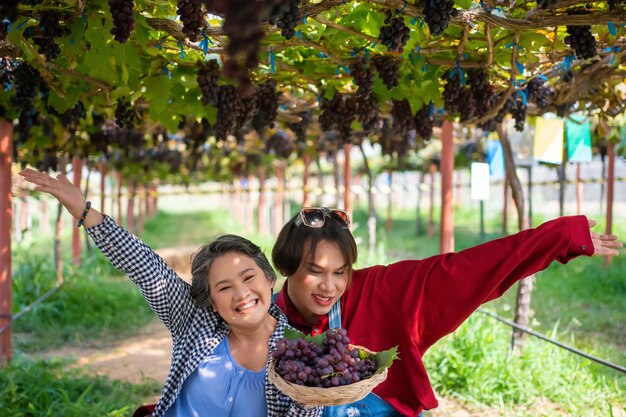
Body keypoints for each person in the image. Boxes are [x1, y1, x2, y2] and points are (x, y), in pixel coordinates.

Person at [19, 168, 320, 417]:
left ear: (269, 279)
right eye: (224, 287)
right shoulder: (194, 321)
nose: (241, 294)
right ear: (212, 302)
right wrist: (84, 211)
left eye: (248, 277)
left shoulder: (297, 352)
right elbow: (146, 268)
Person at [271, 207, 622, 417]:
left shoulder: (377, 290)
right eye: (315, 271)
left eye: (340, 271)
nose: (330, 287)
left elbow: (461, 270)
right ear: (286, 267)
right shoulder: (262, 321)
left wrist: (557, 237)